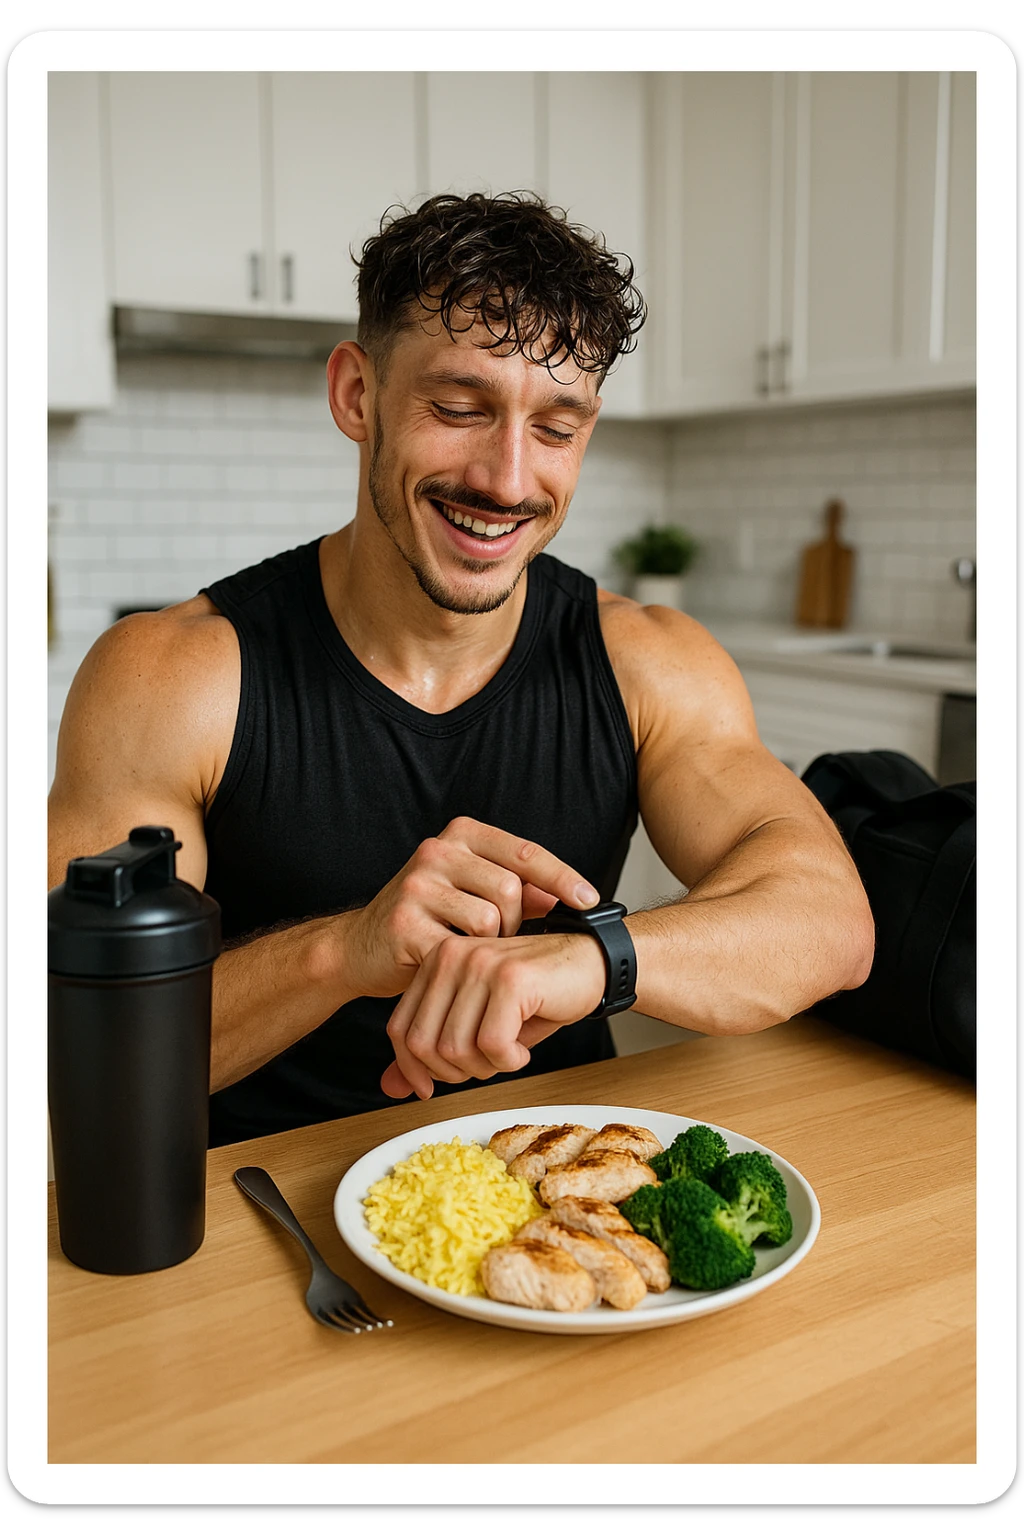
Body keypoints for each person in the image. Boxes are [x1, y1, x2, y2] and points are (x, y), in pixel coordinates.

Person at [47, 191, 874, 1145]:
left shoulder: (648, 661)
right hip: (257, 1215)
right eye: (458, 407)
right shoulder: (172, 677)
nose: (508, 479)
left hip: (549, 1203)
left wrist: (590, 959)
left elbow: (829, 922)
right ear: (359, 396)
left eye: (557, 428)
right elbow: (72, 1052)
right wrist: (344, 950)